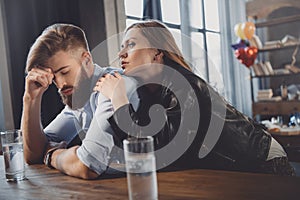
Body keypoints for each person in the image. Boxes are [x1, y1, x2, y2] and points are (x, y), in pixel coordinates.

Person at [94, 20, 295, 176]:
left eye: (130, 44)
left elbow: (162, 153)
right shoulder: (147, 93)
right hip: (225, 170)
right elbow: (143, 143)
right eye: (122, 46)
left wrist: (118, 97)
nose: (121, 53)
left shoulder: (186, 86)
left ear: (157, 52)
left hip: (262, 161)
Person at [21, 23, 138, 179]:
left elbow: (88, 166)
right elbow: (33, 155)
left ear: (86, 60)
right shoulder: (79, 95)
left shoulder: (113, 85)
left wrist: (52, 155)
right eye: (54, 77)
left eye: (64, 72)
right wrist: (31, 98)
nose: (60, 84)